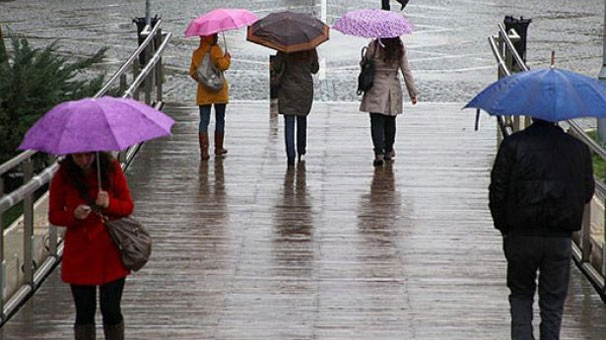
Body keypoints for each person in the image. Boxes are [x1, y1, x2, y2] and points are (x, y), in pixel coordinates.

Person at [489, 118, 595, 340]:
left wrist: (504, 227)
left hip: (520, 234)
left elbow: (497, 191)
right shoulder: (578, 149)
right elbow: (586, 192)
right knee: (553, 303)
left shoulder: (513, 145)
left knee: (520, 296)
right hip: (559, 237)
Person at [49, 152, 134, 340]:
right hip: (80, 253)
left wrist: (109, 203)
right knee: (84, 313)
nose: (83, 161)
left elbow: (127, 206)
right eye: (77, 156)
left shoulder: (111, 169)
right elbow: (54, 215)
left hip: (110, 251)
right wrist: (73, 215)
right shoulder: (63, 176)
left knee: (111, 309)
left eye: (87, 155)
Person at [359, 37, 418, 166]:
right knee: (390, 121)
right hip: (393, 88)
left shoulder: (374, 45)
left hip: (376, 87)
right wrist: (412, 93)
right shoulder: (399, 47)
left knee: (376, 121)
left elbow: (366, 64)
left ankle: (378, 152)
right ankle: (389, 150)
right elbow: (406, 71)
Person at [273, 49, 319, 166]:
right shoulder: (310, 48)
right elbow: (315, 69)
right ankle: (301, 149)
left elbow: (277, 66)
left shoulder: (284, 47)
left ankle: (290, 155)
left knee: (289, 121)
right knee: (302, 118)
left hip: (288, 87)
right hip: (304, 88)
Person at [189, 33, 231, 160]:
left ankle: (204, 151)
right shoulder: (216, 50)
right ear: (210, 37)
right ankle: (218, 148)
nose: (217, 37)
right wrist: (227, 58)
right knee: (220, 119)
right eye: (215, 35)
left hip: (204, 92)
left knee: (204, 121)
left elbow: (192, 73)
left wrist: (205, 81)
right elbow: (223, 66)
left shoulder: (196, 53)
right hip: (219, 91)